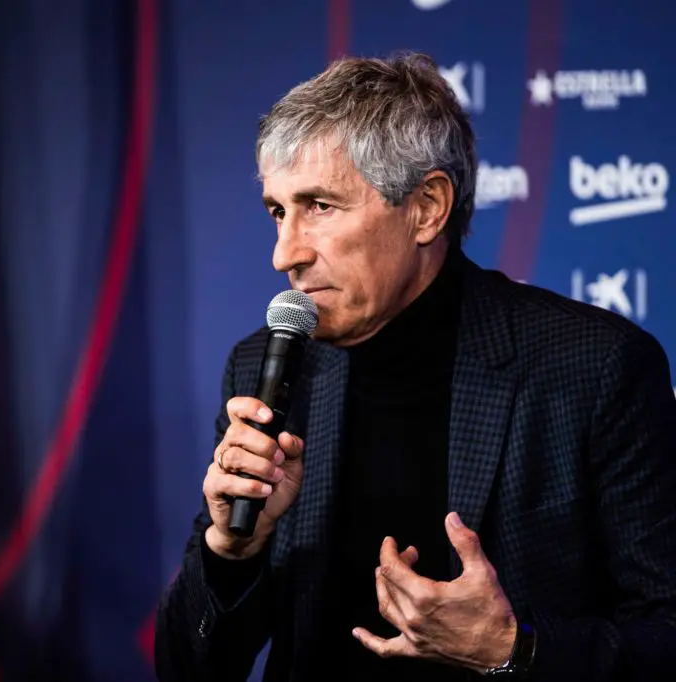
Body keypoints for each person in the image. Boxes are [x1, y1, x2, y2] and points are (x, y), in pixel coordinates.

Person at [154, 52, 676, 681]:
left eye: (320, 206)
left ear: (427, 207)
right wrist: (232, 549)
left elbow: (665, 632)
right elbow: (187, 668)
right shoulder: (263, 366)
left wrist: (512, 649)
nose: (283, 254)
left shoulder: (595, 366)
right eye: (278, 211)